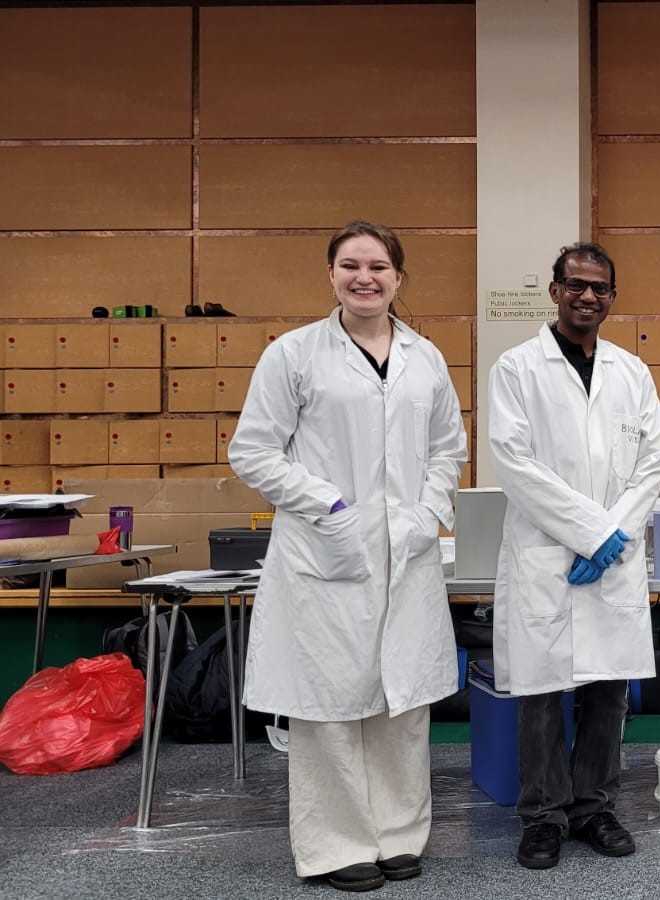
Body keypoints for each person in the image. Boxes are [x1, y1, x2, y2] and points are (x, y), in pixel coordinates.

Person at [230, 221, 467, 891]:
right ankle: (336, 847)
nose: (365, 277)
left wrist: (428, 511)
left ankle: (398, 834)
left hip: (409, 550)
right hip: (324, 554)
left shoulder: (426, 357)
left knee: (402, 704)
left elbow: (450, 446)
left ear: (399, 277)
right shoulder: (295, 355)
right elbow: (252, 450)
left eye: (378, 266)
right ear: (330, 274)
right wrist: (327, 505)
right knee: (330, 707)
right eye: (350, 265)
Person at [488, 241, 660, 871]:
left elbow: (655, 460)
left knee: (607, 691)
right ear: (555, 290)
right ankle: (542, 817)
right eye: (576, 284)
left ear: (612, 297)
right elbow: (515, 464)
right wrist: (594, 533)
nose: (587, 296)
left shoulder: (632, 371)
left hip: (611, 559)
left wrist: (614, 534)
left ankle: (593, 807)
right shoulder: (517, 368)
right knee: (541, 694)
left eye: (600, 287)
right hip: (549, 553)